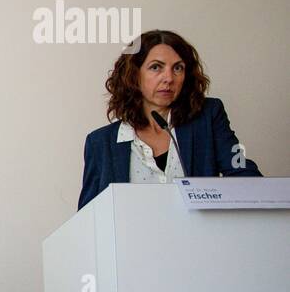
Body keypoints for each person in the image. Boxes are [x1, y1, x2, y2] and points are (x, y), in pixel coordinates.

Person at [78, 29, 260, 209]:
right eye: (156, 67)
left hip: (200, 237)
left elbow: (244, 173)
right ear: (133, 75)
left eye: (178, 68)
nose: (169, 78)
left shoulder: (209, 117)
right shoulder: (100, 143)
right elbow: (87, 218)